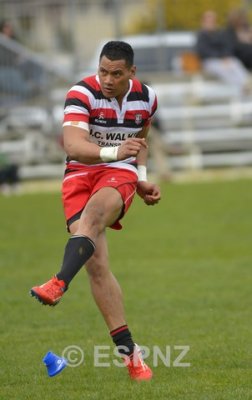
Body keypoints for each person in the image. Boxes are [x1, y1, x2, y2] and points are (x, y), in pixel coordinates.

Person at [30, 41, 161, 381]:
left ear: (131, 73)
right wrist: (116, 151)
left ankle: (58, 282)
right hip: (79, 175)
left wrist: (142, 177)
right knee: (98, 266)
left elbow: (141, 139)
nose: (107, 79)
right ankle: (132, 357)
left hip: (120, 174)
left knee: (93, 217)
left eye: (116, 73)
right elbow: (74, 147)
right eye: (103, 70)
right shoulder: (82, 93)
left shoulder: (146, 98)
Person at [196, 10, 250, 95]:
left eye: (212, 20)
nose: (211, 22)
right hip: (209, 62)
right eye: (208, 20)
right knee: (224, 70)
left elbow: (225, 47)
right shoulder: (201, 35)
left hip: (222, 60)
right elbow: (203, 51)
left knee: (234, 62)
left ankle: (247, 82)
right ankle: (241, 87)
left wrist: (225, 56)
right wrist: (220, 58)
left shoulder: (218, 33)